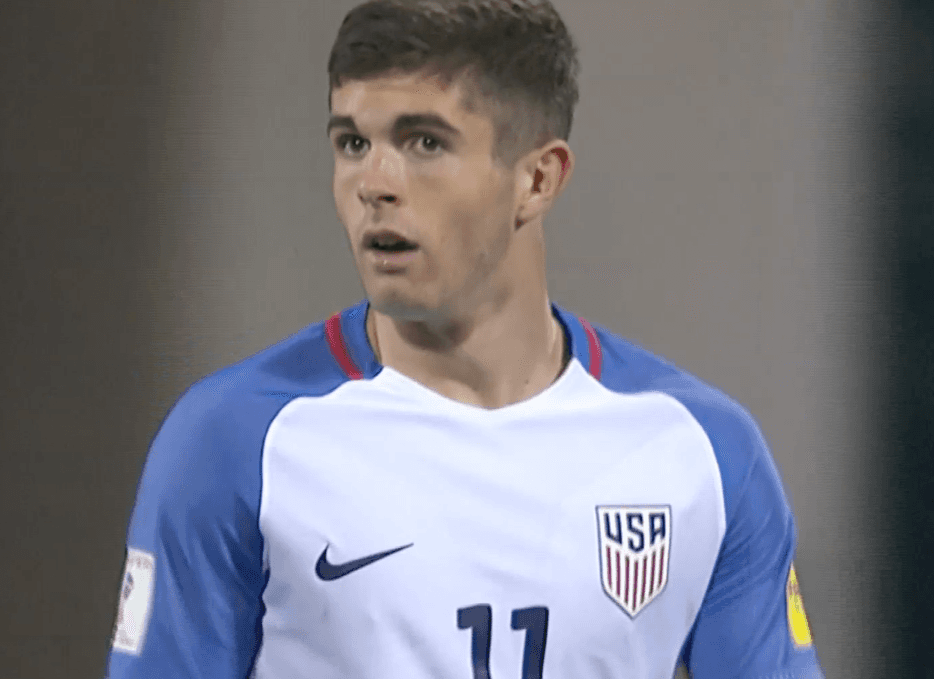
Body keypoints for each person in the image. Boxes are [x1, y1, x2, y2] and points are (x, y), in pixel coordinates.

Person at [105, 0, 824, 677]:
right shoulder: (234, 442)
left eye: (424, 142)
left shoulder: (701, 454)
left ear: (538, 179)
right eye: (352, 141)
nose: (374, 182)